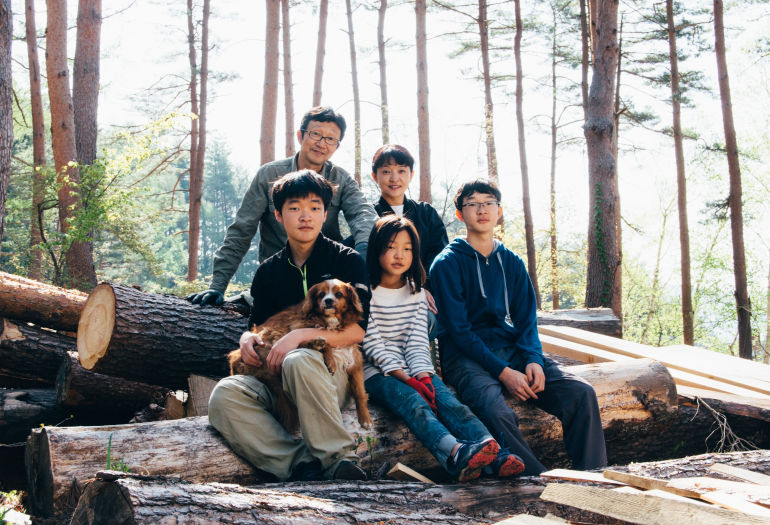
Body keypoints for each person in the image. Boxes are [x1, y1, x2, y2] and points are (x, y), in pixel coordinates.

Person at [429, 180, 607, 476]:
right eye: (472, 204)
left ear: (499, 211)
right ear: (461, 214)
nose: (482, 210)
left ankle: (592, 477)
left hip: (508, 345)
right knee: (495, 411)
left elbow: (526, 318)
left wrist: (533, 358)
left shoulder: (510, 261)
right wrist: (503, 372)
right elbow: (459, 331)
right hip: (463, 356)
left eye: (488, 203)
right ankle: (538, 481)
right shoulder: (446, 263)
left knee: (581, 393)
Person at [208, 170, 371, 481]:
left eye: (314, 207)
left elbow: (357, 331)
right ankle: (298, 465)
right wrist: (247, 338)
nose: (305, 216)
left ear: (326, 213)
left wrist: (300, 336)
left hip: (328, 376)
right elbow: (258, 324)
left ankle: (339, 462)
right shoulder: (268, 271)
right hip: (276, 381)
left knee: (300, 358)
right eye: (294, 208)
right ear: (279, 216)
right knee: (224, 394)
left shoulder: (347, 261)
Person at [362, 215, 525, 481]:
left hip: (414, 369)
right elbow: (372, 344)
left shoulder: (415, 291)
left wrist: (424, 376)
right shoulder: (366, 292)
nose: (399, 255)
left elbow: (416, 340)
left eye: (407, 248)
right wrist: (408, 379)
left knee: (449, 401)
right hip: (378, 373)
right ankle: (455, 453)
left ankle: (493, 453)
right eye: (391, 247)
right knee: (415, 402)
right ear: (377, 248)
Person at [188, 106, 377, 306]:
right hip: (280, 276)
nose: (322, 143)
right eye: (316, 134)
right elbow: (241, 231)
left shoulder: (341, 179)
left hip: (326, 280)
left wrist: (364, 250)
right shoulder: (268, 176)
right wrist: (217, 286)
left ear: (337, 146)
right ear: (300, 135)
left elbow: (363, 214)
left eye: (331, 139)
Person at [368, 144, 448, 338]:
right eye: (386, 171)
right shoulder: (368, 215)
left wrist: (421, 288)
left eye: (401, 171)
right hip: (380, 296)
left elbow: (440, 258)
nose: (394, 178)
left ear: (411, 175)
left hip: (422, 294)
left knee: (426, 319)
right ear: (374, 176)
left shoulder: (426, 213)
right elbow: (363, 256)